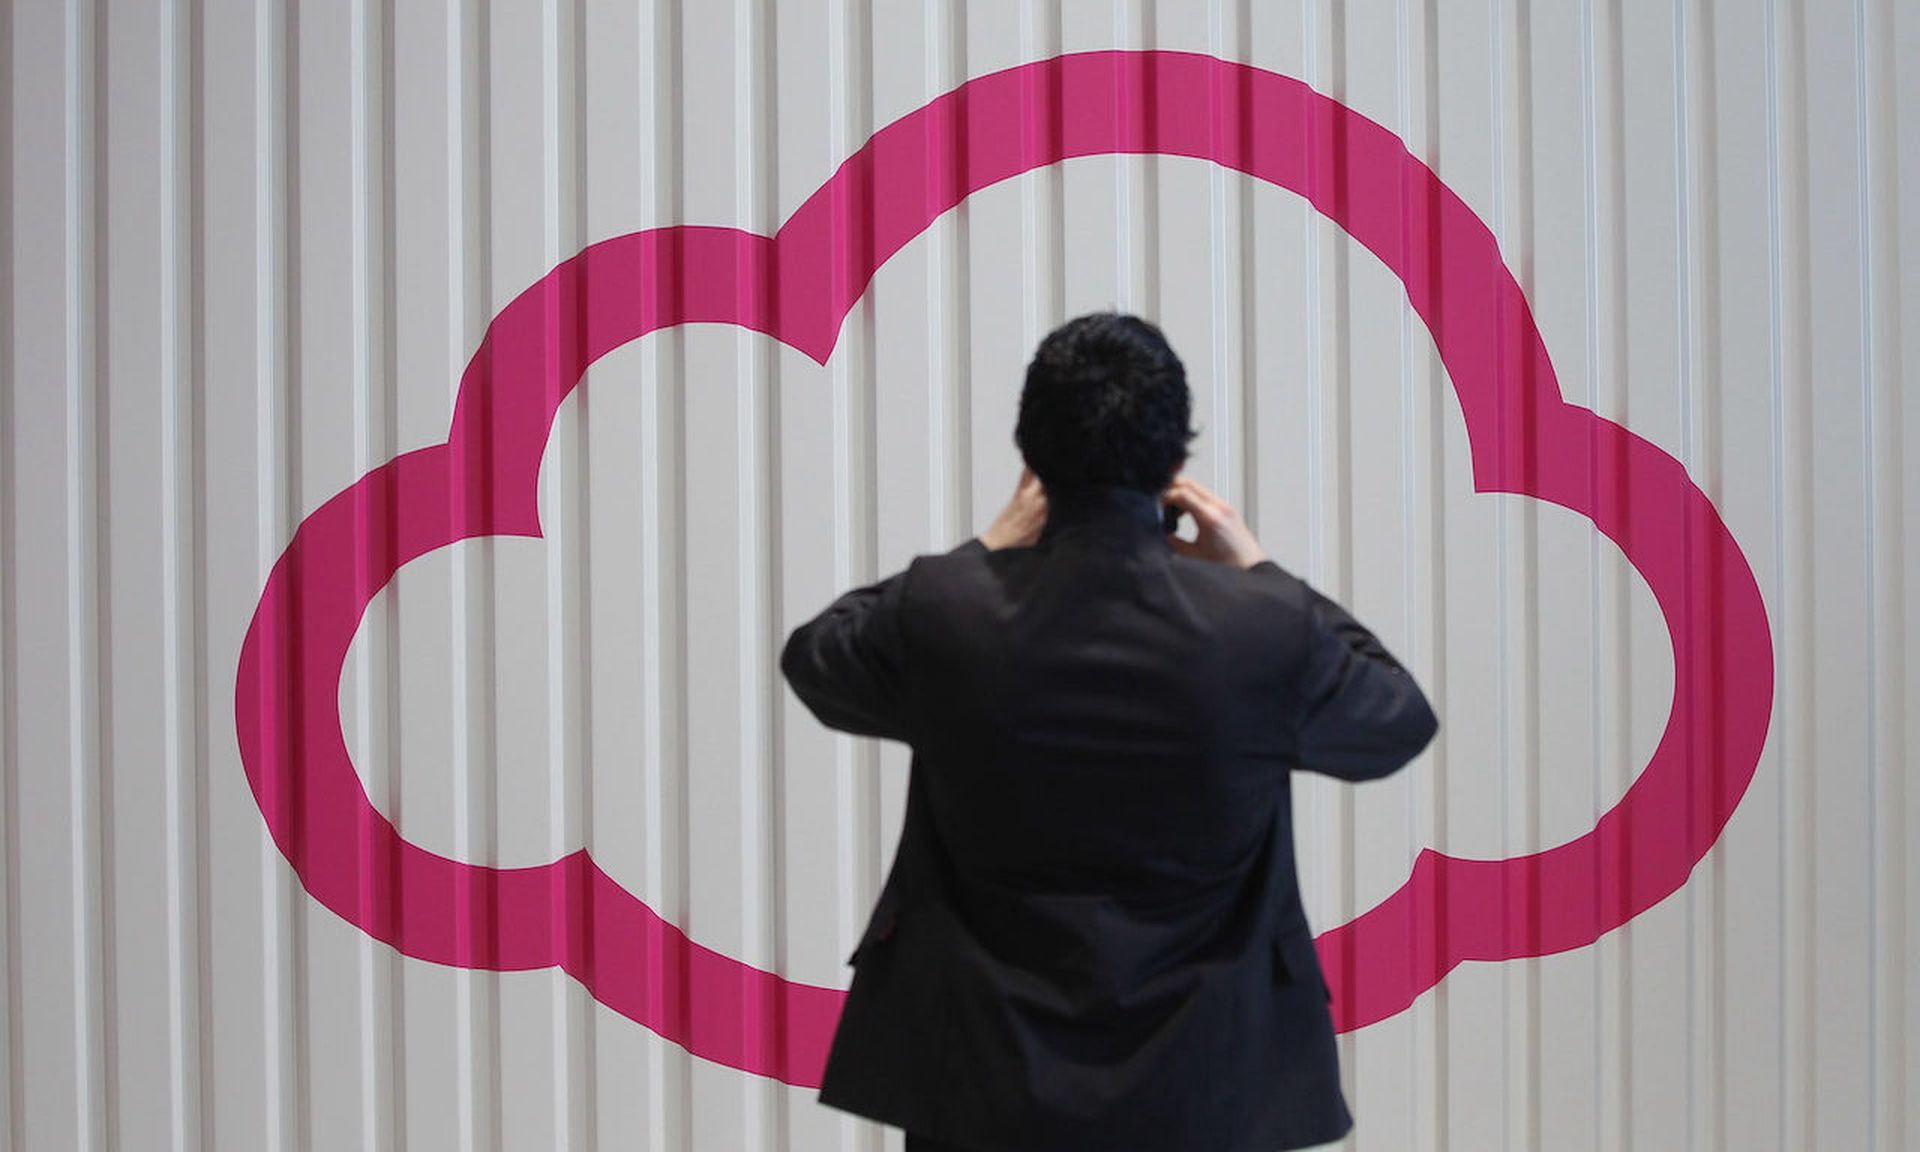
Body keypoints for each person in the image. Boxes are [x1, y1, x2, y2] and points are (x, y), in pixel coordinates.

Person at [780, 311, 1438, 1151]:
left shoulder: (949, 612)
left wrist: (984, 548)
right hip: (1209, 1085)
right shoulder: (1262, 629)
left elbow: (816, 659)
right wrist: (1259, 570)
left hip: (985, 1083)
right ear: (1174, 464)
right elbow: (1396, 719)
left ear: (1031, 458)